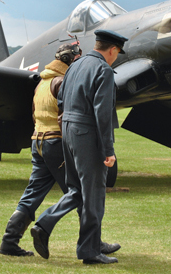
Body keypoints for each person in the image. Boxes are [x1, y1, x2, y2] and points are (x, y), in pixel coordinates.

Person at [0, 43, 120, 258]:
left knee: (32, 193)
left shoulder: (42, 82)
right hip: (56, 142)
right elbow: (69, 114)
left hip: (37, 141)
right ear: (70, 60)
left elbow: (35, 114)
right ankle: (93, 244)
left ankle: (9, 241)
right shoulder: (63, 81)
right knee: (81, 193)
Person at [30, 29, 127, 265]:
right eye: (117, 53)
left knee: (77, 190)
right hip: (88, 133)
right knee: (93, 194)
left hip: (69, 131)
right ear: (112, 50)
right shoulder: (103, 69)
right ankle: (89, 251)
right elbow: (102, 113)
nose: (116, 57)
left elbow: (61, 98)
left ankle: (50, 227)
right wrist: (108, 149)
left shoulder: (75, 64)